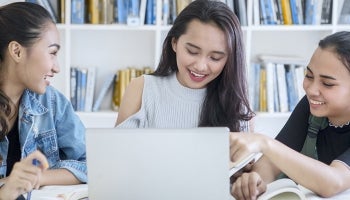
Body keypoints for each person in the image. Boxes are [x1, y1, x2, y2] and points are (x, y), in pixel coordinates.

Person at [230, 31, 350, 199]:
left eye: (327, 84)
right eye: (309, 76)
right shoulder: (311, 108)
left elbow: (333, 182)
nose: (311, 89)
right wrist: (254, 180)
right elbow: (270, 165)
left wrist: (263, 142)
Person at [116, 0, 254, 132]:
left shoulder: (237, 104)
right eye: (192, 52)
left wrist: (266, 144)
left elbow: (247, 157)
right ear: (174, 43)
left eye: (215, 58)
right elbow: (115, 152)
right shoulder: (143, 89)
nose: (200, 66)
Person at [0, 2, 87, 199]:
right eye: (53, 53)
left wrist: (37, 177)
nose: (57, 68)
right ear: (17, 51)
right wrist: (7, 190)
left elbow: (94, 164)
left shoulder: (52, 102)